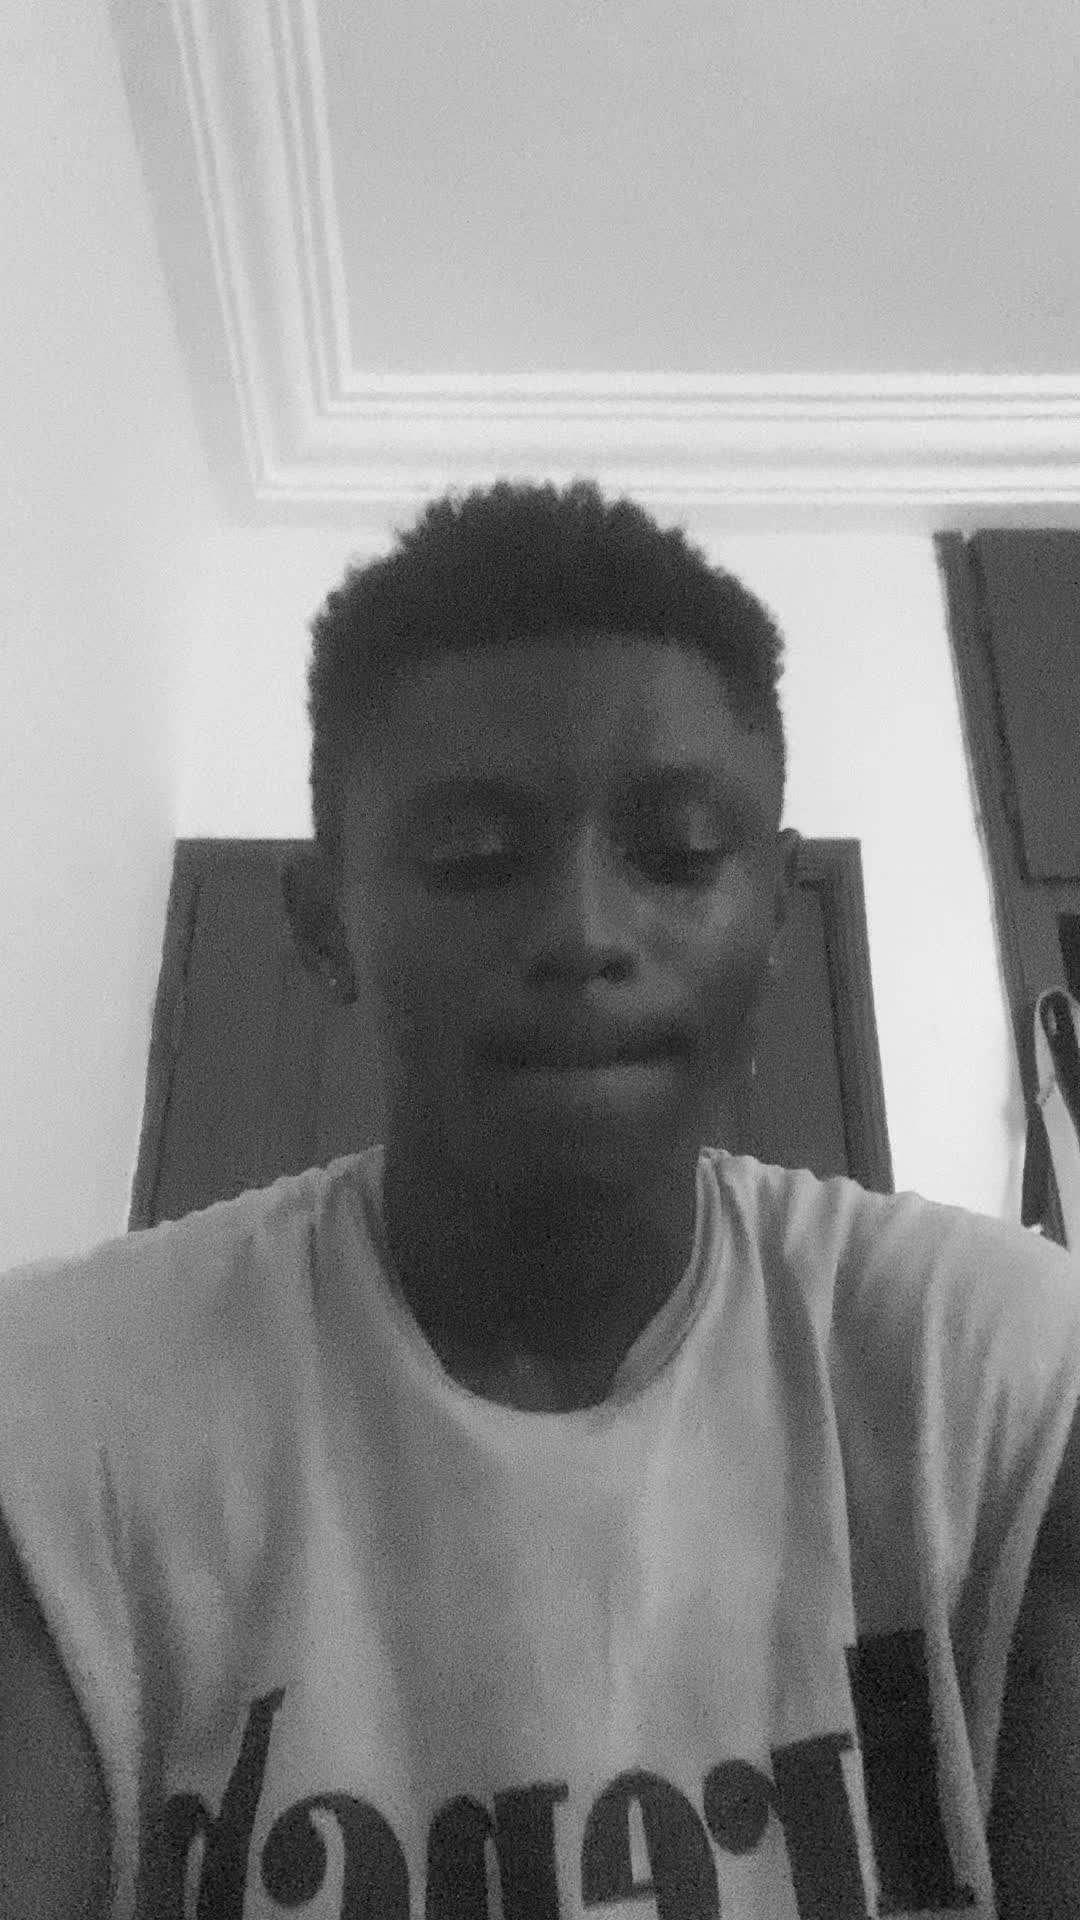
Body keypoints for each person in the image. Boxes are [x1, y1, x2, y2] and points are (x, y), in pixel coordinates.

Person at [0, 478, 1078, 1919]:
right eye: (472, 860)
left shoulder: (1000, 1373)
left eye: (679, 853)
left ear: (774, 913)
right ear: (325, 926)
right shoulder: (66, 1415)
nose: (581, 930)